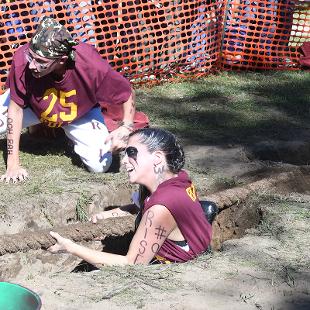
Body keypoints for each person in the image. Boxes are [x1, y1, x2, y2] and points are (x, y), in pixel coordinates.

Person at [0, 16, 136, 183]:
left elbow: (126, 92)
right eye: (31, 56)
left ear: (62, 59)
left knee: (100, 165)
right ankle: (42, 128)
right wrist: (13, 164)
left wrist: (127, 126)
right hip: (33, 106)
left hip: (80, 112)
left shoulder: (90, 64)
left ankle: (58, 132)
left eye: (40, 61)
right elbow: (15, 109)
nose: (32, 65)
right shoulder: (23, 60)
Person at [48, 128, 212, 265]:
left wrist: (71, 247)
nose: (124, 160)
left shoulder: (160, 208)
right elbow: (138, 206)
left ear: (157, 158)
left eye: (132, 153)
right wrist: (107, 215)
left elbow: (132, 265)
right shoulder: (176, 179)